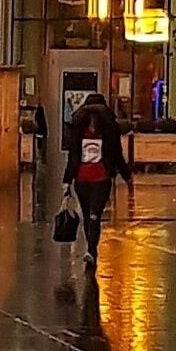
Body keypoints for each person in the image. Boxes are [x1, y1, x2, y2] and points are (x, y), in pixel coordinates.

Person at [66, 87, 126, 272]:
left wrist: (124, 173)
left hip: (97, 178)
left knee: (93, 215)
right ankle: (91, 249)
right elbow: (73, 155)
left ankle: (91, 250)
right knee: (89, 217)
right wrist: (67, 180)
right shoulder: (82, 130)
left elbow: (115, 153)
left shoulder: (106, 131)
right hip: (87, 178)